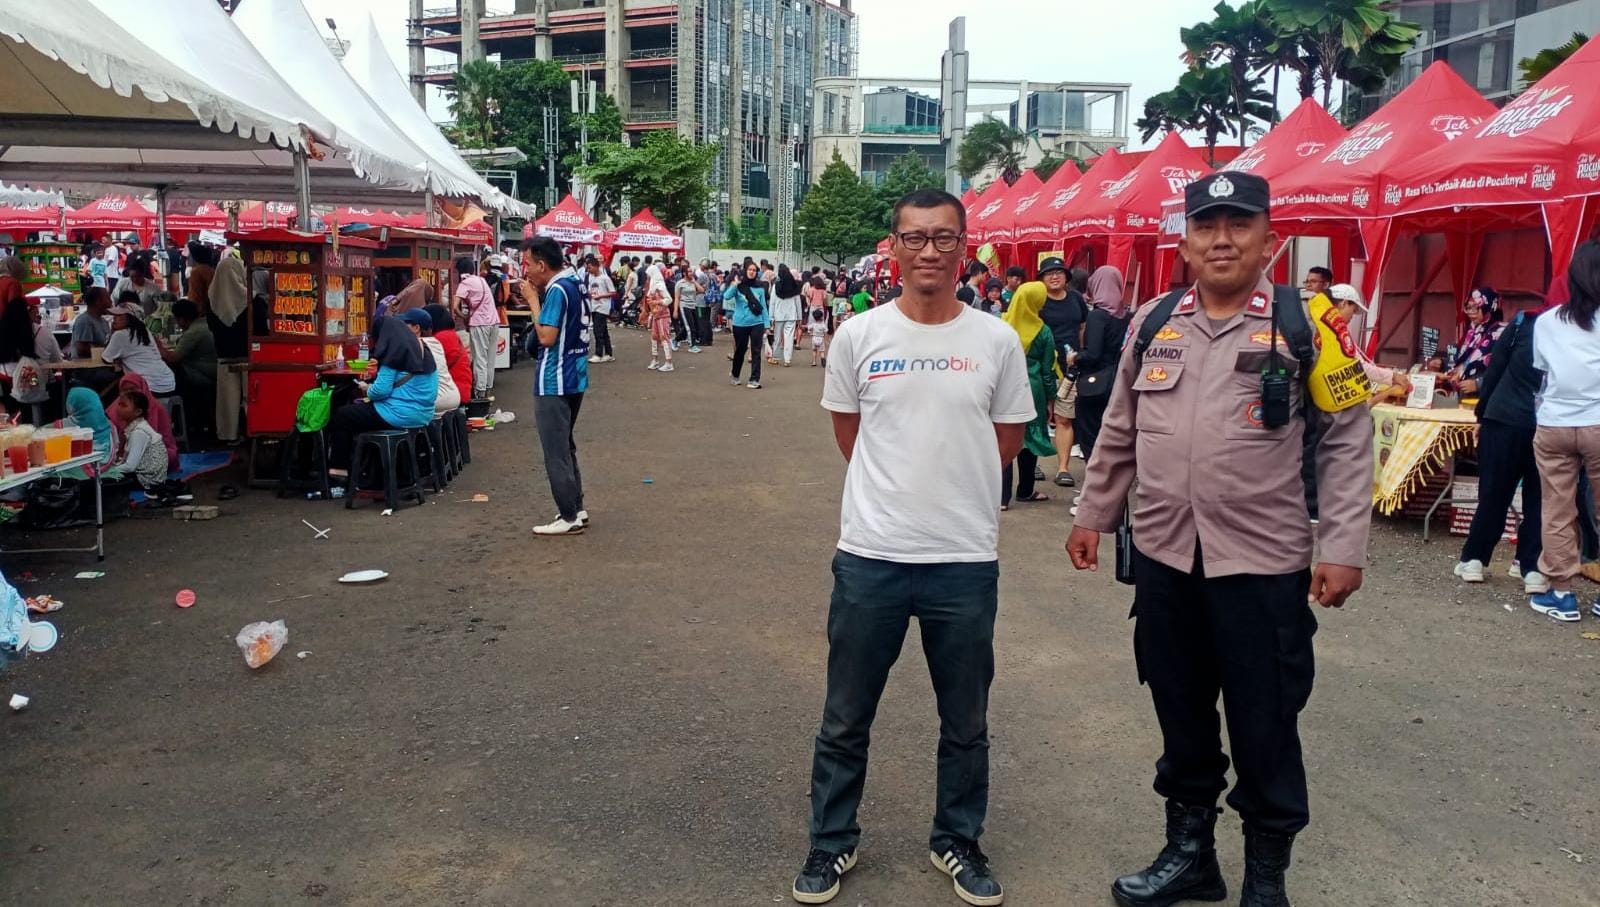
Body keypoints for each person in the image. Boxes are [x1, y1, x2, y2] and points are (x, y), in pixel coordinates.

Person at [1067, 172, 1372, 907]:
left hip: (1261, 565)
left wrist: (1342, 546)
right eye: (1207, 226)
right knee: (1179, 708)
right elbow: (1120, 427)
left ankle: (1266, 877)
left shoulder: (1308, 323)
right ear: (1186, 242)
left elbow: (1347, 436)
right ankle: (1190, 856)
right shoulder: (1153, 321)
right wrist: (1092, 512)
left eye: (1240, 225)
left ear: (1271, 241)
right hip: (1166, 556)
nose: (1222, 240)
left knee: (1265, 721)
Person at [794, 188, 1034, 907]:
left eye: (944, 237)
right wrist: (898, 491)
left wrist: (949, 486)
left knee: (966, 719)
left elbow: (1006, 440)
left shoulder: (996, 340)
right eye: (915, 237)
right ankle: (831, 839)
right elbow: (851, 434)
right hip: (871, 555)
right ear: (893, 247)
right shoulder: (859, 336)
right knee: (845, 715)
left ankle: (956, 838)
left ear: (965, 246)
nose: (930, 250)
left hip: (963, 561)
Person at [1451, 295, 1548, 593]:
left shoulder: (1523, 322)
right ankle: (1530, 567)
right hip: (1551, 424)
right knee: (1540, 498)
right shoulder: (1584, 328)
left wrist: (1481, 414)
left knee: (1494, 492)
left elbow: (1495, 370)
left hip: (1504, 418)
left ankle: (1474, 559)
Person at [1528, 242, 1600, 621]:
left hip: (1554, 423)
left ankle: (1562, 594)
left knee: (1557, 510)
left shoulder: (1546, 322)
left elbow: (1542, 372)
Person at [523, 236, 592, 537]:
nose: (525, 270)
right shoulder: (575, 282)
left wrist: (532, 300)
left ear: (541, 265)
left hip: (555, 378)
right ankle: (575, 507)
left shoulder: (557, 290)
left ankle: (568, 515)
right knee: (566, 446)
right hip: (575, 375)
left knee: (556, 450)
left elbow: (546, 337)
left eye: (527, 264)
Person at [325, 316, 438, 482]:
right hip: (424, 413)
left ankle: (339, 469)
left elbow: (380, 392)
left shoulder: (394, 354)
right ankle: (371, 469)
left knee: (343, 415)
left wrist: (367, 389)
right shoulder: (421, 349)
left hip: (398, 414)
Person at [998, 281, 1059, 510]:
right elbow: (1048, 370)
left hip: (1004, 386)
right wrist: (1051, 398)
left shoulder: (1001, 324)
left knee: (1002, 438)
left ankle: (1001, 498)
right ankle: (1025, 490)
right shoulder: (1043, 331)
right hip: (1032, 388)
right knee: (1029, 438)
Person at [1072, 265, 1131, 464]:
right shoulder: (1127, 316)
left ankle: (1096, 479)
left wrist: (1076, 357)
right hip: (1119, 382)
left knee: (1091, 435)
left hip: (1096, 384)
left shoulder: (1097, 316)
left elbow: (1093, 354)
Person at [1038, 257, 1086, 487]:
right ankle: (1032, 463)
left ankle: (1063, 468)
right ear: (1041, 278)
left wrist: (1082, 354)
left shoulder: (1076, 299)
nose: (1055, 276)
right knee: (1036, 416)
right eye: (1049, 273)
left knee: (1064, 417)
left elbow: (1083, 327)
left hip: (1069, 368)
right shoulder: (1037, 299)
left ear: (1067, 277)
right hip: (1041, 365)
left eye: (1059, 272)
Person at [1327, 285, 1412, 401]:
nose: (1352, 316)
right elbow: (1358, 367)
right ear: (1344, 303)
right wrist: (1393, 376)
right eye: (1353, 310)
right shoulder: (1336, 332)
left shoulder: (1321, 325)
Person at [207, 249, 249, 445]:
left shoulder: (211, 300)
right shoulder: (251, 300)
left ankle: (228, 435)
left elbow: (211, 326)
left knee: (227, 401)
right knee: (251, 399)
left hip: (224, 355)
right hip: (249, 356)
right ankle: (252, 431)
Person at [160, 299, 216, 435]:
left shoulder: (194, 332)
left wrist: (157, 345)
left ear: (182, 319)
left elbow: (173, 358)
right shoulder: (204, 324)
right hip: (212, 371)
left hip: (204, 375)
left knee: (174, 372)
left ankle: (182, 422)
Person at [106, 373, 178, 474]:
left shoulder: (142, 428)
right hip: (124, 455)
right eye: (125, 390)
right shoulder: (115, 408)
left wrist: (108, 471)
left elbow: (131, 465)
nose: (129, 394)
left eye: (133, 389)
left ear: (138, 411)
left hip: (148, 455)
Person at [102, 302, 176, 394]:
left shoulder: (120, 334)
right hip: (168, 381)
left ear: (130, 318)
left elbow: (106, 358)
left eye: (119, 315)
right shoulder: (145, 331)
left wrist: (113, 332)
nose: (114, 319)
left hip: (147, 386)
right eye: (114, 315)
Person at [399, 308, 461, 414]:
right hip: (453, 395)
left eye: (405, 324)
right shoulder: (435, 342)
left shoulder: (415, 345)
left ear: (416, 328)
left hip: (436, 398)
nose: (401, 328)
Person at [1447, 287, 1506, 396]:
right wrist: (1443, 364)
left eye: (1475, 308)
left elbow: (1505, 369)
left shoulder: (1503, 333)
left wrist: (1478, 384)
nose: (1470, 312)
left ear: (1489, 307)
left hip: (1488, 397)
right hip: (1465, 396)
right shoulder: (1474, 331)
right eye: (1468, 307)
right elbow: (1465, 360)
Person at [455, 256, 498, 400]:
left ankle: (480, 392)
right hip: (494, 321)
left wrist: (463, 316)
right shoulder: (482, 280)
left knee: (480, 358)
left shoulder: (465, 283)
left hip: (479, 323)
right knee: (490, 359)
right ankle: (488, 390)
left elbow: (455, 306)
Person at [724, 260, 770, 389]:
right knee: (740, 350)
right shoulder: (739, 286)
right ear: (745, 271)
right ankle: (735, 375)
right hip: (740, 323)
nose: (752, 272)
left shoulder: (760, 287)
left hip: (757, 323)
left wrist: (767, 324)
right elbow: (726, 296)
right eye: (749, 269)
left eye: (754, 270)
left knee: (756, 351)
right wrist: (735, 284)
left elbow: (763, 307)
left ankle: (754, 379)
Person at [424, 303, 473, 401]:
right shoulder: (449, 334)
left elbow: (432, 365)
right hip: (460, 389)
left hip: (452, 392)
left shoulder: (442, 338)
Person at [584, 256, 617, 363]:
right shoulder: (591, 277)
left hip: (602, 307)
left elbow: (613, 292)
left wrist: (601, 296)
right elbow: (590, 290)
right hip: (594, 305)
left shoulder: (605, 278)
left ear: (596, 266)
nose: (589, 270)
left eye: (590, 267)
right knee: (603, 330)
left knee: (598, 330)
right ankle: (608, 353)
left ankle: (598, 354)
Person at [645, 263, 676, 373]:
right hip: (656, 315)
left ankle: (669, 362)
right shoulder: (653, 287)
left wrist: (656, 302)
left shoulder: (660, 286)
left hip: (663, 315)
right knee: (654, 337)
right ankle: (655, 360)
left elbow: (669, 299)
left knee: (664, 337)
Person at [771, 264, 804, 367]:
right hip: (791, 315)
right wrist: (800, 317)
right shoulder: (795, 286)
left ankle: (776, 356)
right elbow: (798, 303)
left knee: (777, 337)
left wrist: (771, 316)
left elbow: (772, 302)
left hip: (778, 315)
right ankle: (787, 359)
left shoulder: (776, 286)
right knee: (789, 337)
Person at [111, 250, 163, 315]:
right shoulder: (122, 283)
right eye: (132, 277)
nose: (135, 279)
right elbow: (113, 300)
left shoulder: (153, 288)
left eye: (138, 276)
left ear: (143, 274)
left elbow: (160, 308)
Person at [71, 286, 113, 359]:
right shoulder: (85, 321)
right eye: (108, 299)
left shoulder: (104, 322)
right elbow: (82, 349)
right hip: (86, 365)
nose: (110, 302)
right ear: (98, 302)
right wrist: (106, 351)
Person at [674, 264, 703, 355]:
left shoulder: (693, 282)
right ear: (684, 273)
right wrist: (675, 310)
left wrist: (694, 282)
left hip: (693, 306)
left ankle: (675, 340)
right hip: (684, 306)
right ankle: (692, 345)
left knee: (691, 326)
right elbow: (677, 297)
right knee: (690, 327)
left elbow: (701, 290)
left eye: (692, 271)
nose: (691, 273)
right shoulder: (680, 283)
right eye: (689, 271)